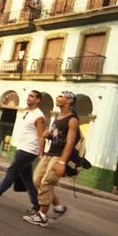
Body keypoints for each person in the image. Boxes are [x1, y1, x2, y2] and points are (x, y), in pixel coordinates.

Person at [0, 90, 46, 213]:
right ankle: (37, 205)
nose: (29, 98)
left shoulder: (39, 116)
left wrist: (41, 153)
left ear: (38, 100)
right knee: (27, 178)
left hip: (29, 150)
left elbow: (42, 136)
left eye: (32, 96)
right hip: (22, 147)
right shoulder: (27, 112)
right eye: (28, 96)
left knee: (11, 172)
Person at [23, 91, 79, 227]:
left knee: (47, 182)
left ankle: (42, 216)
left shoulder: (72, 120)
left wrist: (62, 162)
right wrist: (49, 135)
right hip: (50, 153)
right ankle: (59, 208)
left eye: (61, 96)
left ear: (69, 102)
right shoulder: (59, 116)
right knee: (37, 180)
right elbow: (58, 136)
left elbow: (70, 143)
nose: (57, 98)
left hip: (59, 156)